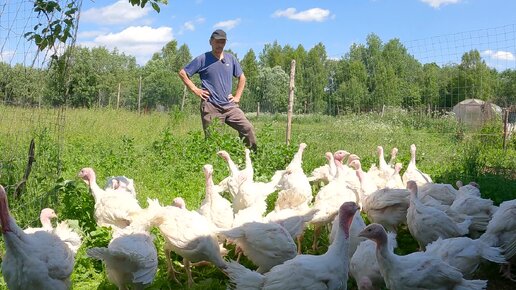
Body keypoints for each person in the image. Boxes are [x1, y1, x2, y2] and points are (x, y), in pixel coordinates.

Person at [179, 29, 257, 151]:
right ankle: (214, 166)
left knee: (247, 128)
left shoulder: (231, 59)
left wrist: (237, 97)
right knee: (213, 142)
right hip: (211, 106)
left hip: (230, 106)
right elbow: (183, 73)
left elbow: (242, 77)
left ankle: (251, 158)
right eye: (217, 42)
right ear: (211, 42)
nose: (220, 45)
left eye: (223, 42)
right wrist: (195, 90)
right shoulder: (203, 59)